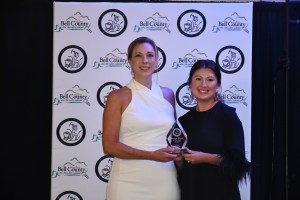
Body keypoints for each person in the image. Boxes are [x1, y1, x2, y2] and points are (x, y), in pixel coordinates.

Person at [102, 36, 180, 200]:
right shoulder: (117, 96)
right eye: (138, 55)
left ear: (157, 60)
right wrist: (151, 155)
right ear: (129, 61)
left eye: (150, 55)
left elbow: (175, 138)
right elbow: (109, 146)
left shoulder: (168, 95)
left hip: (164, 179)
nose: (145, 60)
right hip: (127, 181)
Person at [177, 59, 251, 200]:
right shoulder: (183, 121)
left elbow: (238, 163)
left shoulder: (228, 115)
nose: (203, 84)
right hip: (191, 192)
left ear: (217, 85)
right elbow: (181, 170)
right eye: (198, 79)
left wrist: (205, 158)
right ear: (190, 84)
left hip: (221, 192)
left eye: (210, 79)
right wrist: (178, 160)